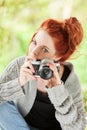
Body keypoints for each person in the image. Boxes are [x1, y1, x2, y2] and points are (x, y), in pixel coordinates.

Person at [0, 17, 87, 130]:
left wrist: (58, 91)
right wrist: (19, 82)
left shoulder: (70, 80)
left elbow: (77, 127)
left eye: (45, 49)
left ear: (58, 56)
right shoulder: (19, 65)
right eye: (34, 42)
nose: (33, 51)